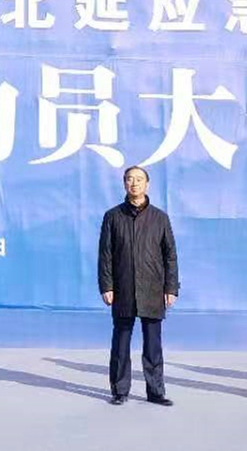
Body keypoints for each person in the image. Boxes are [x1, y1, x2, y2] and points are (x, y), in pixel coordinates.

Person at [98, 165, 178, 406]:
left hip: (153, 288)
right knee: (121, 342)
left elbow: (170, 255)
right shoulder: (113, 216)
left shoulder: (159, 218)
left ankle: (156, 391)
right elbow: (105, 255)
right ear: (124, 184)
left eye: (139, 179)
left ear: (147, 184)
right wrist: (107, 285)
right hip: (123, 288)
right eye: (129, 179)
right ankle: (119, 391)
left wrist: (171, 288)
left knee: (153, 344)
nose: (134, 183)